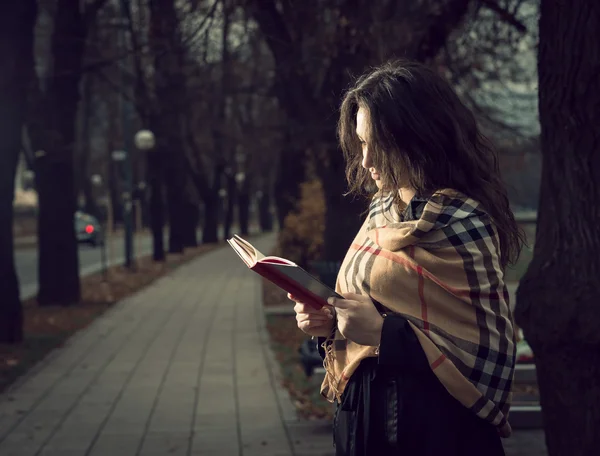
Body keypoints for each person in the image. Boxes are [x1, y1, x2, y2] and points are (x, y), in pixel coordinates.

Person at [288, 60, 523, 456]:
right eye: (361, 143)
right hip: (365, 420)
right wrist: (328, 324)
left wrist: (383, 334)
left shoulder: (463, 223)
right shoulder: (381, 212)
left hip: (438, 431)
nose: (365, 161)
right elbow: (369, 306)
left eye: (376, 144)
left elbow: (490, 348)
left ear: (417, 138)